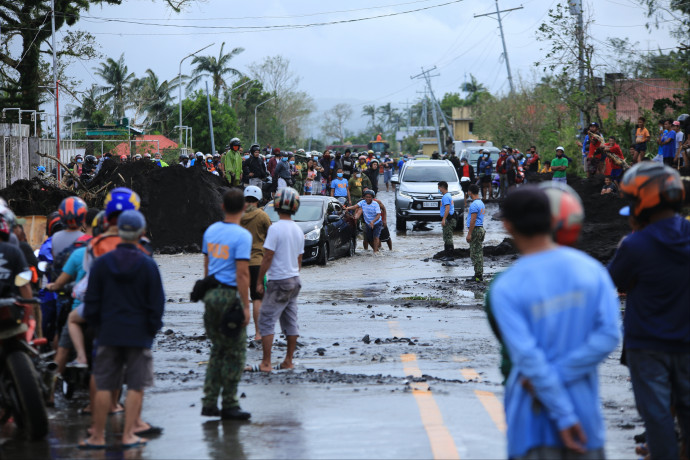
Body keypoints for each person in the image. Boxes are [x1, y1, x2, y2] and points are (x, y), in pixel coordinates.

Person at [490, 186, 620, 460]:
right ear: (553, 220)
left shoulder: (505, 287)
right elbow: (609, 335)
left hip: (531, 425)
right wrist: (563, 379)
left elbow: (528, 358)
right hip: (585, 420)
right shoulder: (591, 270)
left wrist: (562, 415)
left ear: (507, 225)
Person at [607, 162, 689, 460]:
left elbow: (609, 284)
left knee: (657, 417)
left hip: (648, 346)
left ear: (644, 203)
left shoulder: (635, 245)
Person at [81, 210, 165, 450]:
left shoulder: (102, 263)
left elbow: (92, 301)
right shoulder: (148, 264)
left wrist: (98, 327)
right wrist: (151, 330)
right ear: (140, 234)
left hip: (108, 332)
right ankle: (128, 435)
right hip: (138, 335)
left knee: (105, 384)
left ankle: (96, 437)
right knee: (136, 385)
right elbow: (157, 303)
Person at [199, 189, 252, 420]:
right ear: (244, 208)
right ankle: (230, 403)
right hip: (230, 296)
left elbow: (207, 267)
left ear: (222, 207)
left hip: (211, 294)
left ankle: (209, 402)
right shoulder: (242, 236)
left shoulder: (211, 231)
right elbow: (242, 274)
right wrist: (246, 306)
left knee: (217, 350)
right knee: (235, 353)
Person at [249, 188, 303, 373]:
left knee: (266, 320)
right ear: (295, 207)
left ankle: (266, 363)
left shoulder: (275, 229)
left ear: (277, 206)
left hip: (278, 280)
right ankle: (288, 360)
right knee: (290, 320)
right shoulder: (297, 229)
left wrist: (258, 281)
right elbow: (299, 259)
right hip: (294, 279)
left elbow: (267, 257)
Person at [240, 186, 272, 342]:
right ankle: (258, 334)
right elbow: (271, 237)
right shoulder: (262, 216)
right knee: (257, 299)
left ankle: (240, 333)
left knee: (242, 298)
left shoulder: (237, 216)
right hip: (257, 263)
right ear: (258, 199)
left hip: (239, 263)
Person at [345, 190, 382, 254]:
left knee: (376, 237)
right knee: (369, 239)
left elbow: (378, 215)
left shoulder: (375, 204)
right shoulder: (362, 202)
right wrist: (346, 208)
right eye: (366, 197)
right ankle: (376, 250)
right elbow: (354, 207)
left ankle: (375, 252)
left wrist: (373, 221)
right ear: (364, 197)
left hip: (377, 223)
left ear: (372, 198)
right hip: (368, 223)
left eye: (369, 197)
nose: (368, 198)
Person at [466, 184, 486, 281]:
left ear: (470, 192)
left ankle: (478, 275)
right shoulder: (481, 203)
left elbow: (473, 220)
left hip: (476, 229)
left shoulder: (474, 204)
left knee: (475, 253)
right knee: (479, 251)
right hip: (480, 228)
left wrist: (469, 233)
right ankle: (479, 274)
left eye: (468, 192)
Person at [435, 181, 458, 261]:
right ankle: (446, 255)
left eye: (439, 188)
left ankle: (450, 256)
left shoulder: (445, 197)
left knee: (448, 238)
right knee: (446, 237)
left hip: (449, 219)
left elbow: (447, 208)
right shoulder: (447, 196)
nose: (438, 190)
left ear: (442, 187)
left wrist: (444, 219)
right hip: (449, 218)